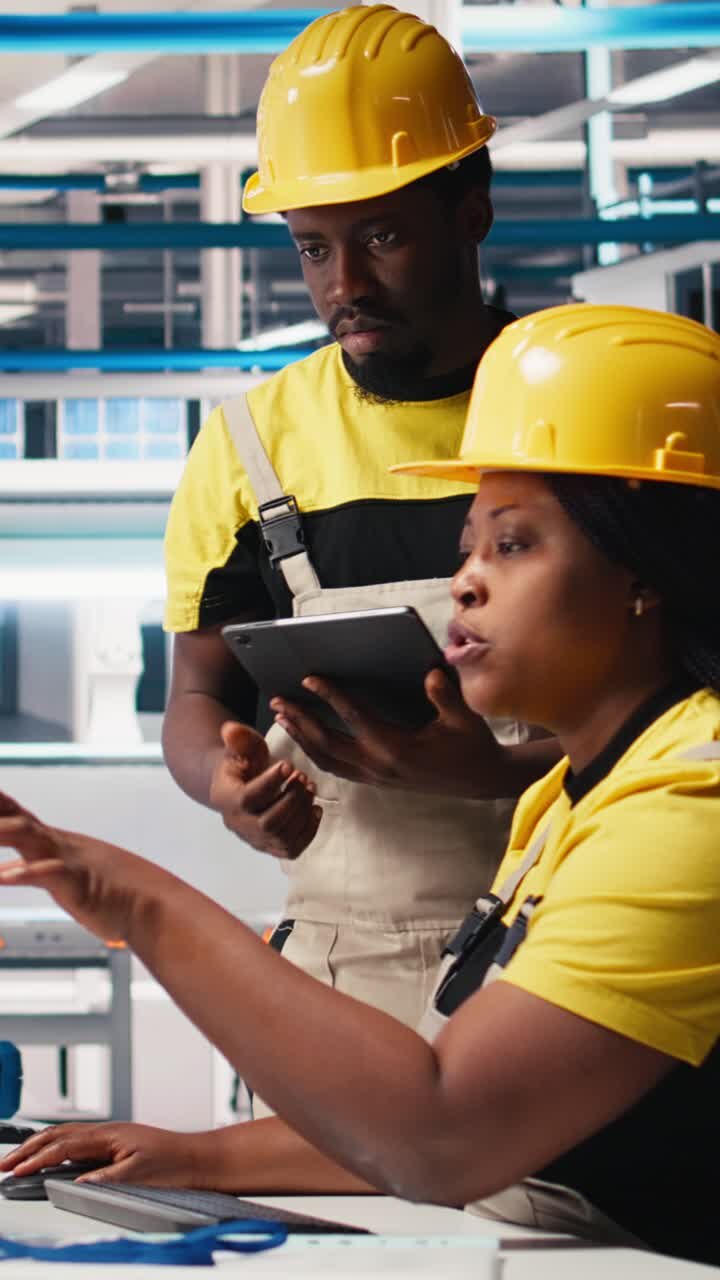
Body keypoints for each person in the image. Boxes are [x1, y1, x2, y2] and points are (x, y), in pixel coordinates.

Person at [2, 302, 719, 1265]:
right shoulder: (574, 791)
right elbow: (484, 1100)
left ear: (643, 570)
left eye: (512, 545)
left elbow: (445, 1129)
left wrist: (136, 898)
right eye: (468, 548)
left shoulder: (690, 803)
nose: (465, 583)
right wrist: (198, 1155)